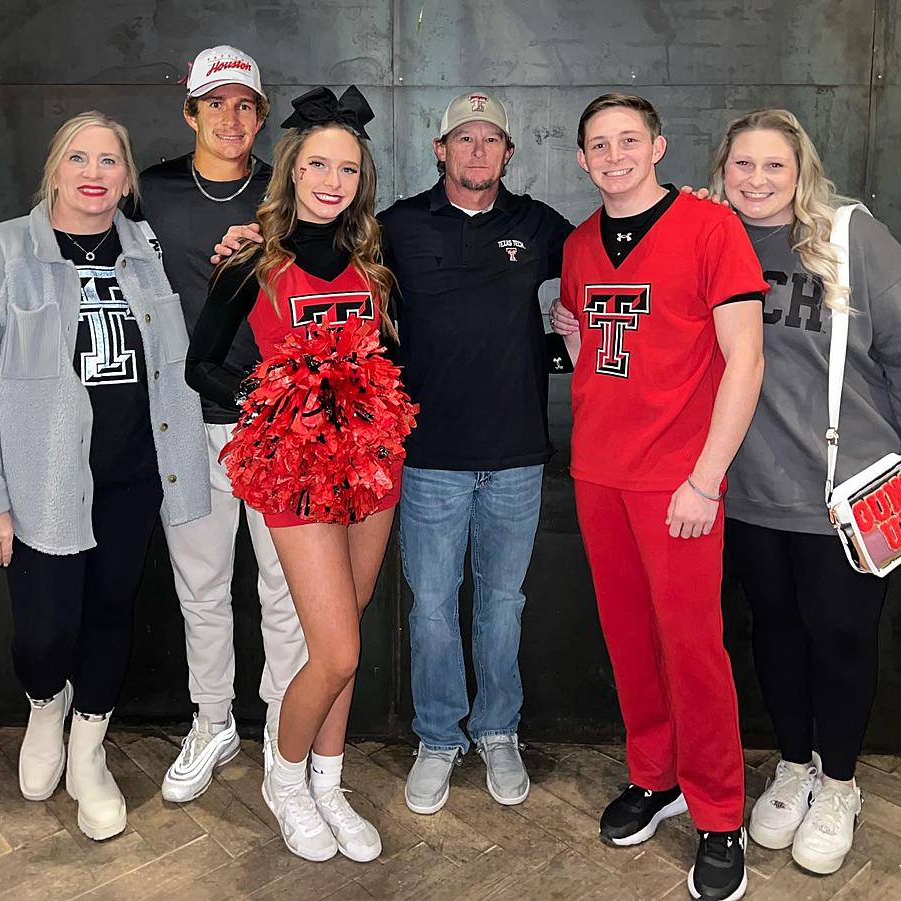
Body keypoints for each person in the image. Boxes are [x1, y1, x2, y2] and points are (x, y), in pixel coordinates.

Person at [213, 91, 576, 816]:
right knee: (430, 609)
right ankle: (437, 737)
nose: (477, 151)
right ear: (439, 149)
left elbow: (616, 249)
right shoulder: (393, 231)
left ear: (510, 151)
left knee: (502, 605)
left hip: (513, 451)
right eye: (462, 138)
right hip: (420, 456)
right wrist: (280, 391)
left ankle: (496, 731)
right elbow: (290, 273)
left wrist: (683, 206)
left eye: (491, 139)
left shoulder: (537, 225)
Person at [0, 111, 210, 841]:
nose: (94, 174)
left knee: (110, 612)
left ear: (127, 178)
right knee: (45, 628)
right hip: (40, 486)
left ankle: (90, 747)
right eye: (79, 159)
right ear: (55, 168)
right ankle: (45, 703)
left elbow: (172, 364)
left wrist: (181, 471)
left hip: (131, 476)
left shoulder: (146, 254)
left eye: (109, 161)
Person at [185, 85, 411, 864]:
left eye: (347, 168)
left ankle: (330, 778)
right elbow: (201, 367)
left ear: (361, 180)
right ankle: (284, 782)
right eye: (318, 163)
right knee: (337, 650)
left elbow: (393, 362)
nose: (332, 179)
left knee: (351, 625)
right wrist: (274, 401)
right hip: (295, 470)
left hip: (374, 465)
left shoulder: (374, 263)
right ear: (293, 168)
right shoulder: (252, 256)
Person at [550, 93, 766, 901]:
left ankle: (718, 810)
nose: (614, 155)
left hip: (678, 480)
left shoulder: (712, 228)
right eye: (598, 144)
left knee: (694, 647)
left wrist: (705, 478)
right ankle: (656, 774)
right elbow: (592, 343)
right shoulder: (576, 244)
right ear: (581, 158)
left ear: (659, 146)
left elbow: (744, 360)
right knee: (629, 638)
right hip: (599, 472)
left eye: (628, 140)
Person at [706, 109, 901, 874]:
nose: (757, 180)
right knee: (774, 632)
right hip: (749, 490)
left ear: (802, 171)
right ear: (722, 168)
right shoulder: (710, 238)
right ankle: (794, 764)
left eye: (774, 165)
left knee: (840, 639)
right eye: (743, 165)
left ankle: (838, 783)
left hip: (846, 496)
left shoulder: (849, 238)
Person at [135, 44, 306, 806]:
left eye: (245, 105)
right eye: (216, 104)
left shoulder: (290, 194)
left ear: (262, 116)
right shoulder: (153, 190)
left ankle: (279, 725)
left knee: (284, 588)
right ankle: (212, 720)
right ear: (191, 111)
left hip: (275, 420)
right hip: (184, 420)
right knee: (201, 587)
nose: (231, 118)